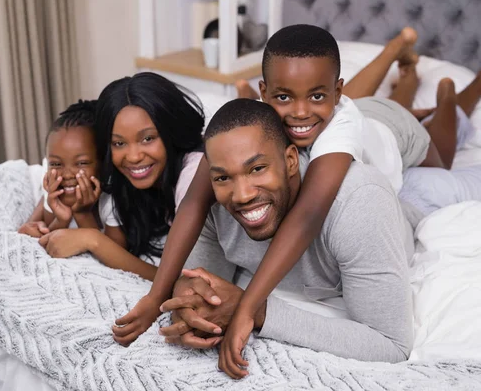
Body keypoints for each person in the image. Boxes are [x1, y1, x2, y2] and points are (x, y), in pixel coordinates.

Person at [112, 25, 430, 347]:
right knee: (309, 108)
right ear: (265, 93)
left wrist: (248, 308)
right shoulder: (232, 152)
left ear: (291, 159)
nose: (243, 192)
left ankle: (408, 68)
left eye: (318, 95)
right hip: (315, 116)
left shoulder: (342, 148)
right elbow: (194, 205)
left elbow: (307, 215)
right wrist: (164, 296)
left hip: (390, 134)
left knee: (411, 122)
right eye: (282, 96)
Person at [158, 99, 413, 377]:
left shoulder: (359, 202)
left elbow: (391, 346)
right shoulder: (213, 205)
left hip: (391, 125)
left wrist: (256, 311)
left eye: (257, 169)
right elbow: (198, 280)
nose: (242, 195)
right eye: (223, 178)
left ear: (290, 161)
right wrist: (188, 301)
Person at [38, 72, 205, 283]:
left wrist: (93, 240)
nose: (133, 157)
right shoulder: (115, 175)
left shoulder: (193, 176)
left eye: (147, 138)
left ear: (171, 131)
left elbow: (188, 281)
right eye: (119, 143)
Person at [18, 100, 102, 238]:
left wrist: (82, 214)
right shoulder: (53, 184)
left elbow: (105, 248)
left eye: (81, 163)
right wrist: (61, 220)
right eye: (56, 164)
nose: (68, 175)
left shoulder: (111, 202)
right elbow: (36, 232)